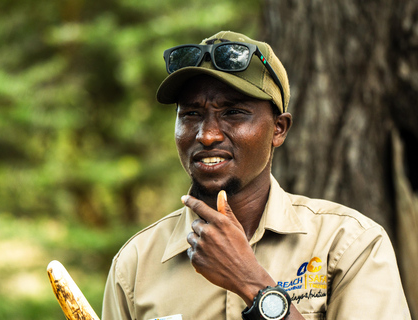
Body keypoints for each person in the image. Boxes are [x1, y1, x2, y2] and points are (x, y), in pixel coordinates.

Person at [101, 31, 411, 320]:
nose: (207, 135)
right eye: (191, 114)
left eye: (233, 113)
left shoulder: (349, 245)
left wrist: (252, 284)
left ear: (279, 129)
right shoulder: (135, 266)